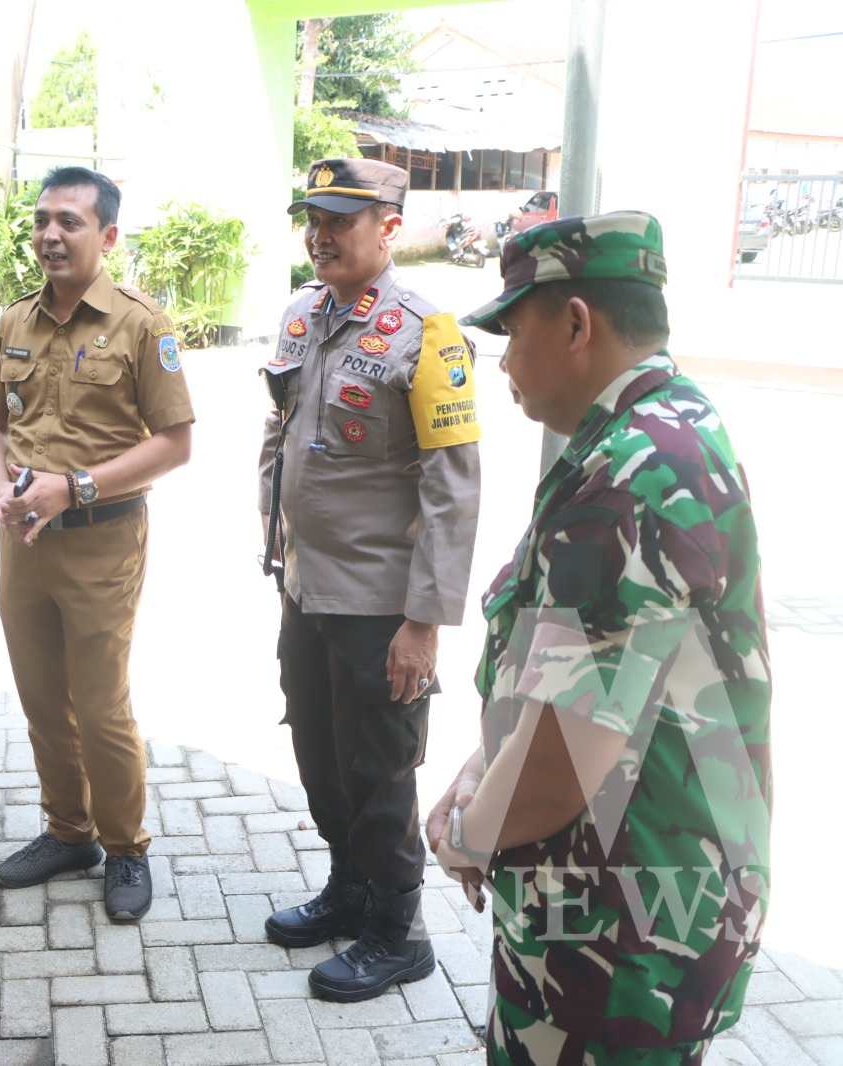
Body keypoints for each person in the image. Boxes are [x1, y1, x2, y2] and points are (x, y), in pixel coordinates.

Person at [429, 211, 771, 1065]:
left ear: (575, 324)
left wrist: (469, 833)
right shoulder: (657, 431)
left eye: (512, 330)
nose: (502, 360)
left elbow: (568, 749)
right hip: (635, 901)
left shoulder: (629, 475)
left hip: (617, 940)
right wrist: (479, 772)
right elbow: (567, 667)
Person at [258, 157, 482, 1002]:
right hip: (307, 588)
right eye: (312, 218)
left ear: (388, 228)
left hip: (381, 606)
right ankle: (348, 890)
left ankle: (400, 931)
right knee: (318, 752)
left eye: (340, 221)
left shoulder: (427, 333)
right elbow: (279, 437)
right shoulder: (302, 314)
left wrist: (423, 621)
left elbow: (453, 487)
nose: (320, 235)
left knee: (380, 769)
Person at [0, 165, 193, 923]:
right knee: (41, 698)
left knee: (100, 706)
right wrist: (0, 487)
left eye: (69, 221)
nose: (50, 235)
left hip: (103, 541)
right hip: (24, 544)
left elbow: (175, 444)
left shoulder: (141, 325)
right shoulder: (14, 322)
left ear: (107, 236)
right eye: (42, 220)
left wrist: (76, 488)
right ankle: (69, 833)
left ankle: (126, 846)